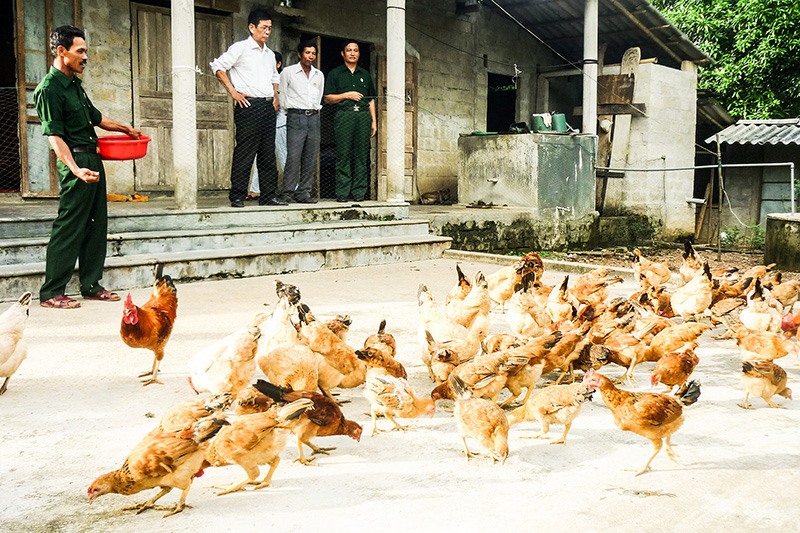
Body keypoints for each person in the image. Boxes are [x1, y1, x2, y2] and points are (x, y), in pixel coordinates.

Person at [34, 25, 142, 309]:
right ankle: (52, 292)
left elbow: (96, 117)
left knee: (96, 225)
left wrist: (124, 129)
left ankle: (91, 285)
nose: (85, 57)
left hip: (93, 158)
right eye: (80, 51)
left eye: (86, 51)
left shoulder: (74, 86)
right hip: (76, 163)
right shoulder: (49, 89)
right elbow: (54, 136)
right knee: (69, 226)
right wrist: (75, 169)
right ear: (62, 51)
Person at [210, 8, 285, 208]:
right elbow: (218, 66)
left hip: (268, 105)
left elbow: (274, 77)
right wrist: (233, 92)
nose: (267, 32)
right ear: (252, 27)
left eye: (270, 28)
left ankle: (268, 195)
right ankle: (237, 195)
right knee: (245, 152)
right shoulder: (240, 48)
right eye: (264, 28)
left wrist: (275, 95)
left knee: (268, 153)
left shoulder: (269, 54)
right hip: (248, 105)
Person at [323, 40, 377, 202]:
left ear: (359, 53)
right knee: (343, 154)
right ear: (342, 53)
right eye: (349, 50)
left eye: (355, 50)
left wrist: (373, 121)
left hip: (362, 117)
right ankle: (342, 192)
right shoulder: (335, 73)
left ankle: (359, 192)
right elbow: (327, 98)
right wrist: (347, 95)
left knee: (361, 154)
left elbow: (371, 100)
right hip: (344, 115)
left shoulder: (365, 75)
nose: (352, 53)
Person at [278, 39, 324, 204]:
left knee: (310, 157)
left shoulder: (319, 75)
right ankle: (287, 193)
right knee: (294, 156)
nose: (310, 56)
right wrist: (288, 112)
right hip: (295, 116)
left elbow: (319, 96)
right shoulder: (288, 72)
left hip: (313, 117)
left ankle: (303, 192)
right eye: (307, 52)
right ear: (300, 54)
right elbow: (282, 95)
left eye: (313, 53)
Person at [248, 51, 287, 201]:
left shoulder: (283, 78)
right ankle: (256, 189)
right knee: (262, 155)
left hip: (280, 121)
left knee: (284, 155)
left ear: (278, 64)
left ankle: (293, 188)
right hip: (263, 120)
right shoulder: (262, 77)